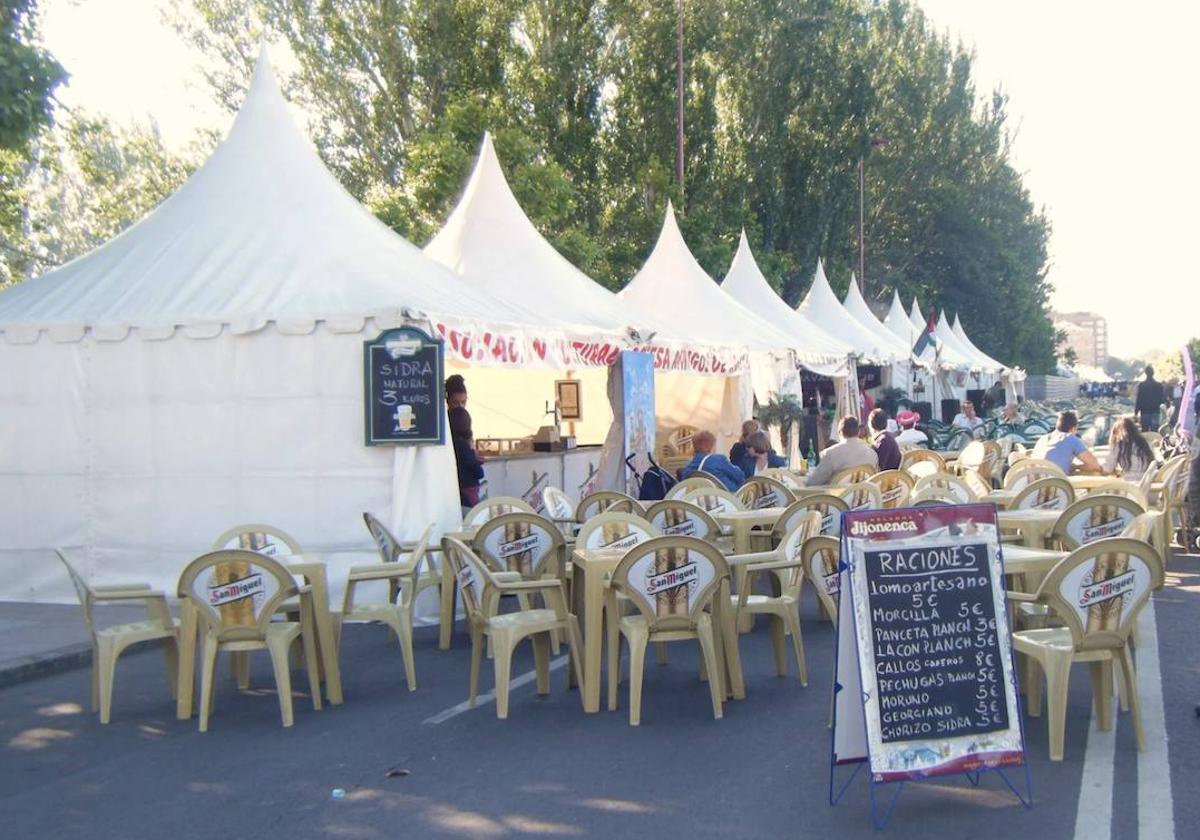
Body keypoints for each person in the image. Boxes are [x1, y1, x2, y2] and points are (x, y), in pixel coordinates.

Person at [806, 416, 879, 486]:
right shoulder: (872, 454)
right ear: (858, 432)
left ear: (840, 432)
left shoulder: (831, 454)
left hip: (838, 497)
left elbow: (813, 482)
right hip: (864, 497)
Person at [1032, 410, 1102, 475]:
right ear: (1073, 429)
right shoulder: (1071, 438)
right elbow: (1095, 466)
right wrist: (1076, 467)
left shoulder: (1042, 439)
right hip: (1054, 484)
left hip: (1033, 483)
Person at [679, 429, 746, 491]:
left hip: (698, 499)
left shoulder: (689, 467)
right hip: (725, 498)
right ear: (710, 446)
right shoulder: (719, 460)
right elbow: (740, 477)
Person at [449, 405, 485, 509]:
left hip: (457, 487)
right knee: (472, 516)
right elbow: (477, 471)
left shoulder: (450, 446)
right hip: (468, 488)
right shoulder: (463, 445)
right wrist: (475, 459)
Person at [1102, 417, 1156, 481]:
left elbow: (1108, 469)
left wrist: (1097, 468)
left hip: (1129, 485)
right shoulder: (1145, 443)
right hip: (1146, 482)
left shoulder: (1119, 445)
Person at [1135, 365, 1165, 432]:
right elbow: (1162, 399)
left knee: (1145, 431)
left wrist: (1136, 412)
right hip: (1155, 410)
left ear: (1145, 373)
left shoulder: (1141, 385)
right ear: (1153, 373)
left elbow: (1139, 399)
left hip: (1145, 411)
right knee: (1154, 431)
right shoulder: (1159, 385)